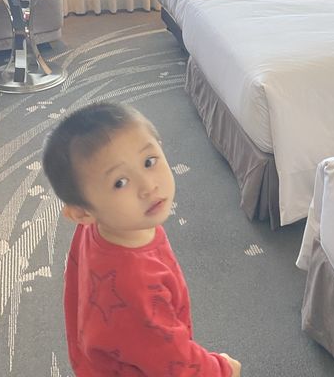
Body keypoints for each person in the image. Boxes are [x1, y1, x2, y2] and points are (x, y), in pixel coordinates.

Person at [42, 101, 241, 377]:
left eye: (149, 162)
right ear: (82, 212)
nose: (148, 187)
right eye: (120, 182)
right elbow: (171, 360)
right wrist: (221, 369)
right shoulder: (136, 288)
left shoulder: (110, 223)